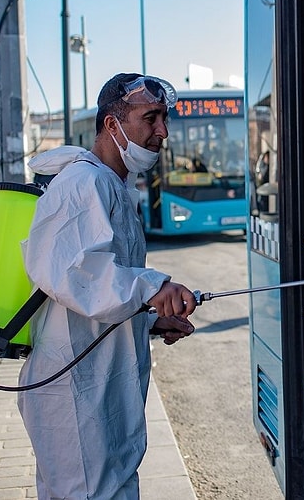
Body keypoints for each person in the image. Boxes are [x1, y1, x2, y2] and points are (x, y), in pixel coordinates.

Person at [17, 73, 198, 500]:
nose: (162, 131)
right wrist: (152, 287)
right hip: (76, 394)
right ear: (112, 125)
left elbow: (99, 294)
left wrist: (149, 319)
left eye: (164, 118)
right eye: (150, 117)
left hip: (99, 387)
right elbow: (74, 272)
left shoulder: (113, 186)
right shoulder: (85, 182)